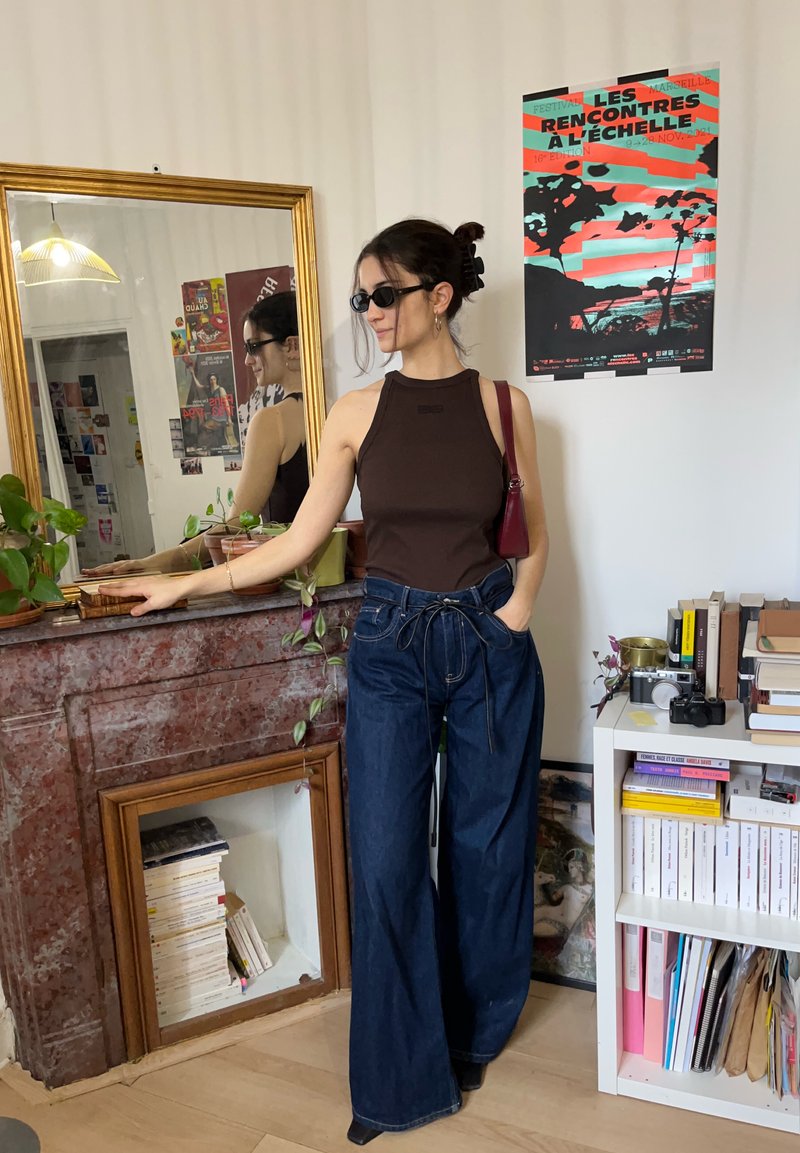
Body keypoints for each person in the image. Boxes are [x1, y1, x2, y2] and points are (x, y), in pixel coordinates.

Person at [110, 218, 548, 1144]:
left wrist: (516, 615)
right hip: (390, 644)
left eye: (384, 294)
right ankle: (399, 1077)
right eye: (361, 297)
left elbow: (536, 531)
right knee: (388, 858)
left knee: (485, 850)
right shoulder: (353, 411)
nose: (369, 313)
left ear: (440, 296)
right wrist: (183, 578)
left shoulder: (507, 406)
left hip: (487, 641)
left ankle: (475, 1031)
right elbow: (297, 541)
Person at [83, 291, 307, 577]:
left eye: (253, 346)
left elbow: (238, 524)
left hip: (291, 578)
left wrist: (153, 563)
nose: (248, 360)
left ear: (290, 345)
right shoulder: (333, 408)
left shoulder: (272, 421)